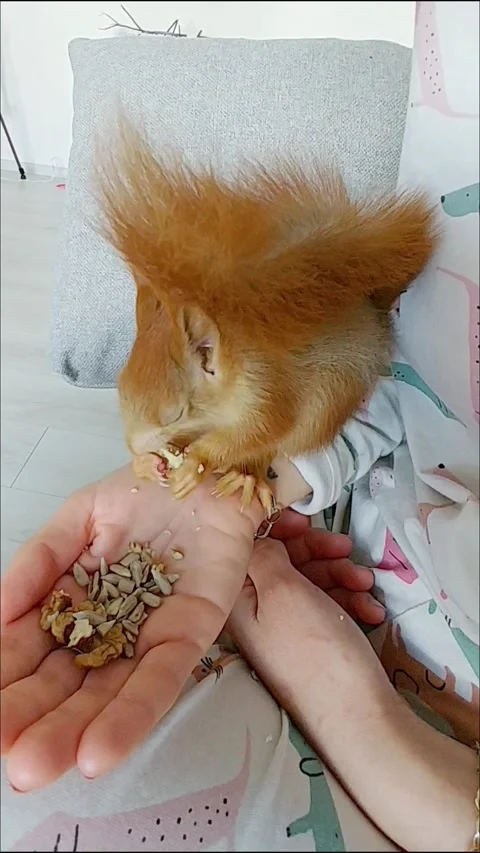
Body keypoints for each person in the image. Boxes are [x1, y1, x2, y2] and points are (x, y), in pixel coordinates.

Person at [1, 1, 478, 849]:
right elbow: (401, 394)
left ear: (212, 361)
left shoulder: (246, 388)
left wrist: (351, 711)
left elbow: (275, 408)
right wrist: (271, 493)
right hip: (333, 586)